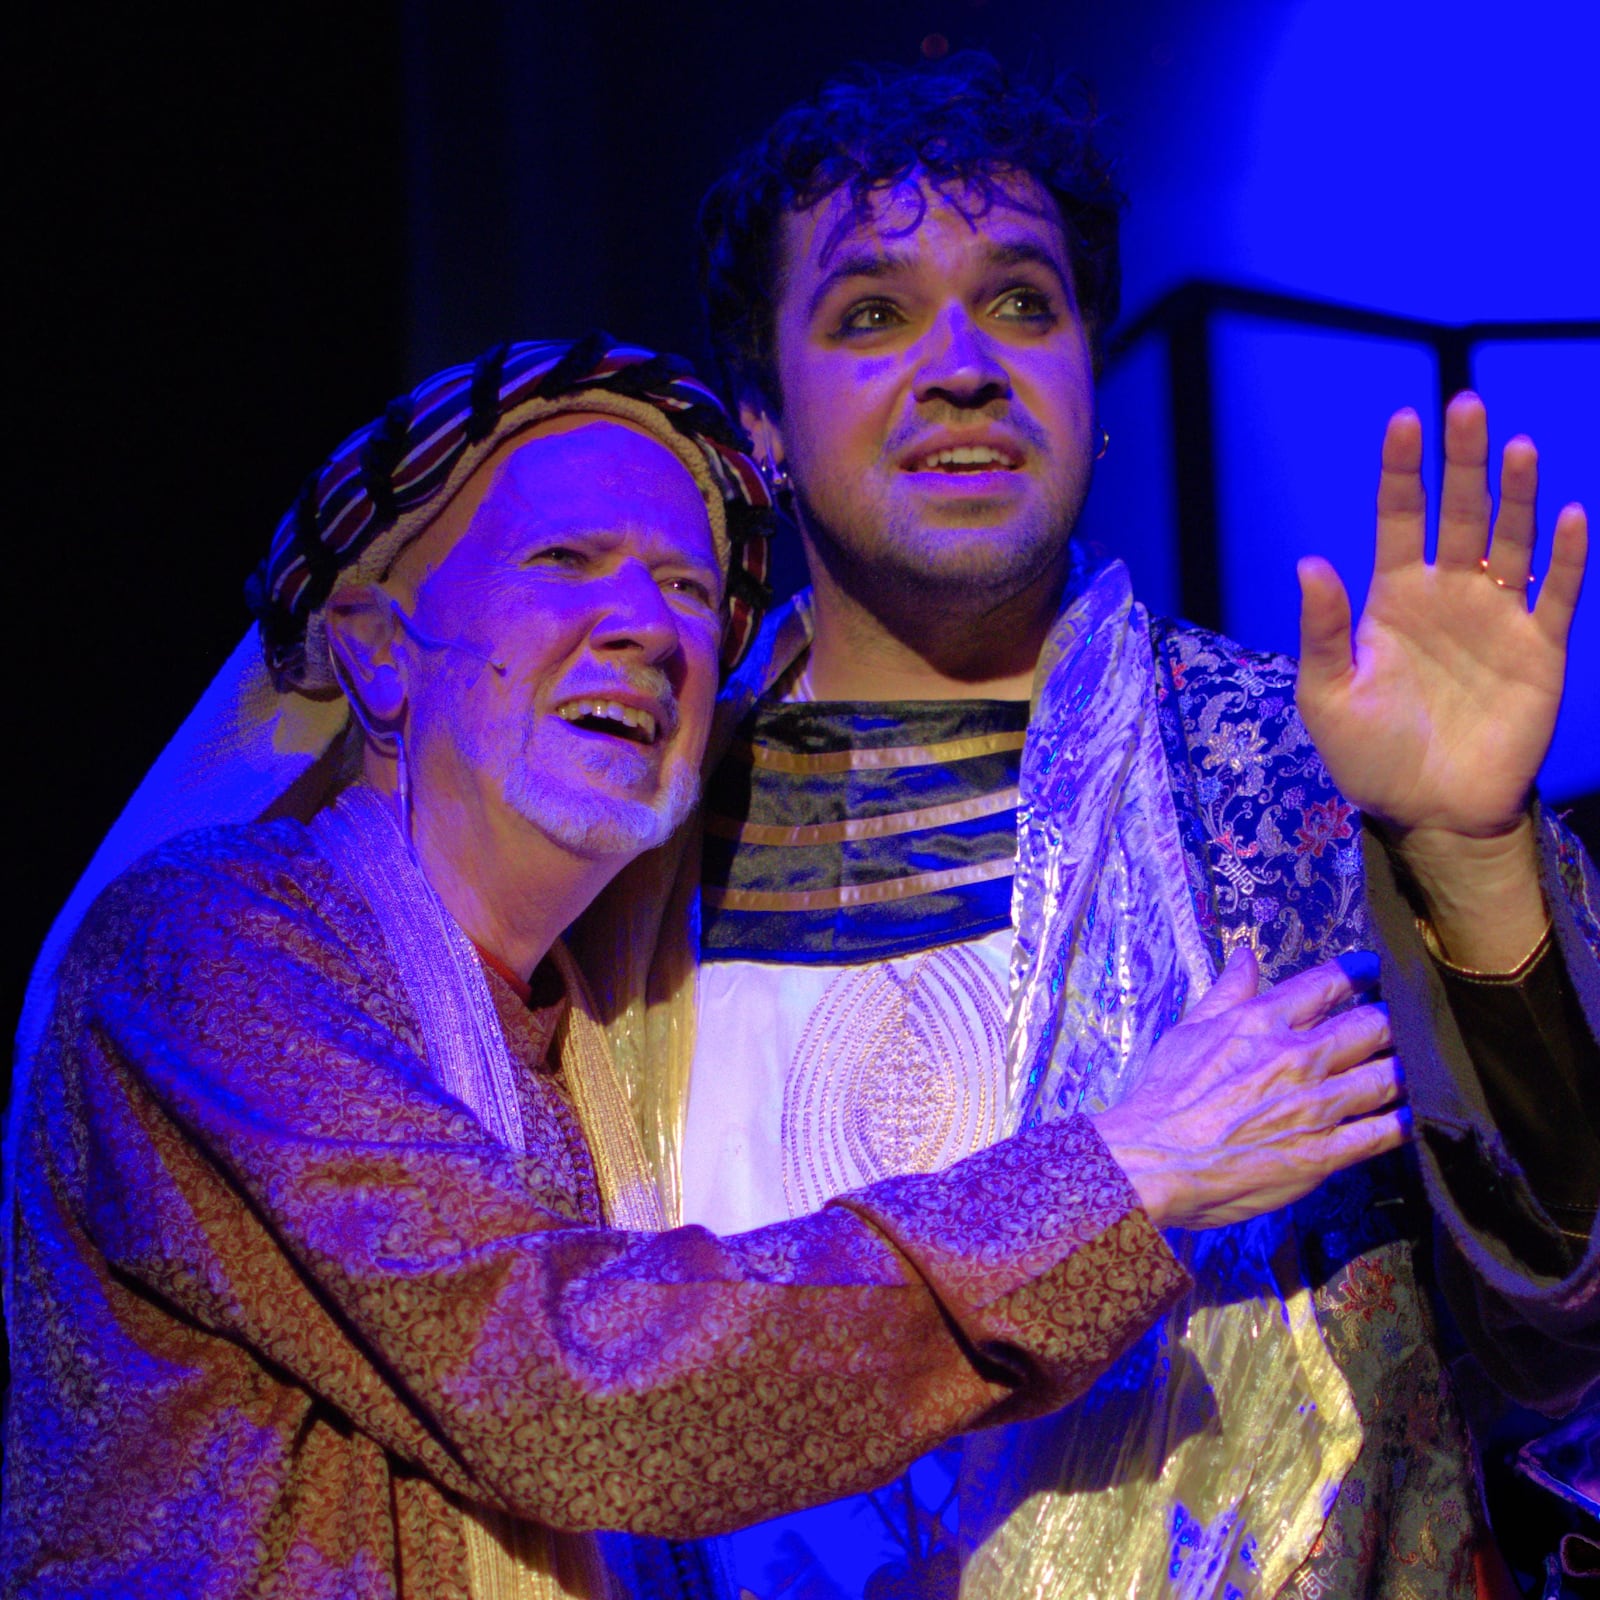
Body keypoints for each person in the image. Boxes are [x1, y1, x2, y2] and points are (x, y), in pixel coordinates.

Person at [1, 336, 1410, 1600]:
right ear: (376, 658)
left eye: (687, 588)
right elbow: (568, 1384)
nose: (648, 628)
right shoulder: (209, 948)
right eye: (567, 564)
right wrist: (1127, 1168)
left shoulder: (596, 1052)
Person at [558, 59, 1600, 1599]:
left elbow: (1561, 1311)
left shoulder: (1287, 779)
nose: (964, 365)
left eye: (1023, 304)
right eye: (871, 315)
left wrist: (1469, 853)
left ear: (1091, 389)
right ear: (762, 421)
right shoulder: (625, 852)